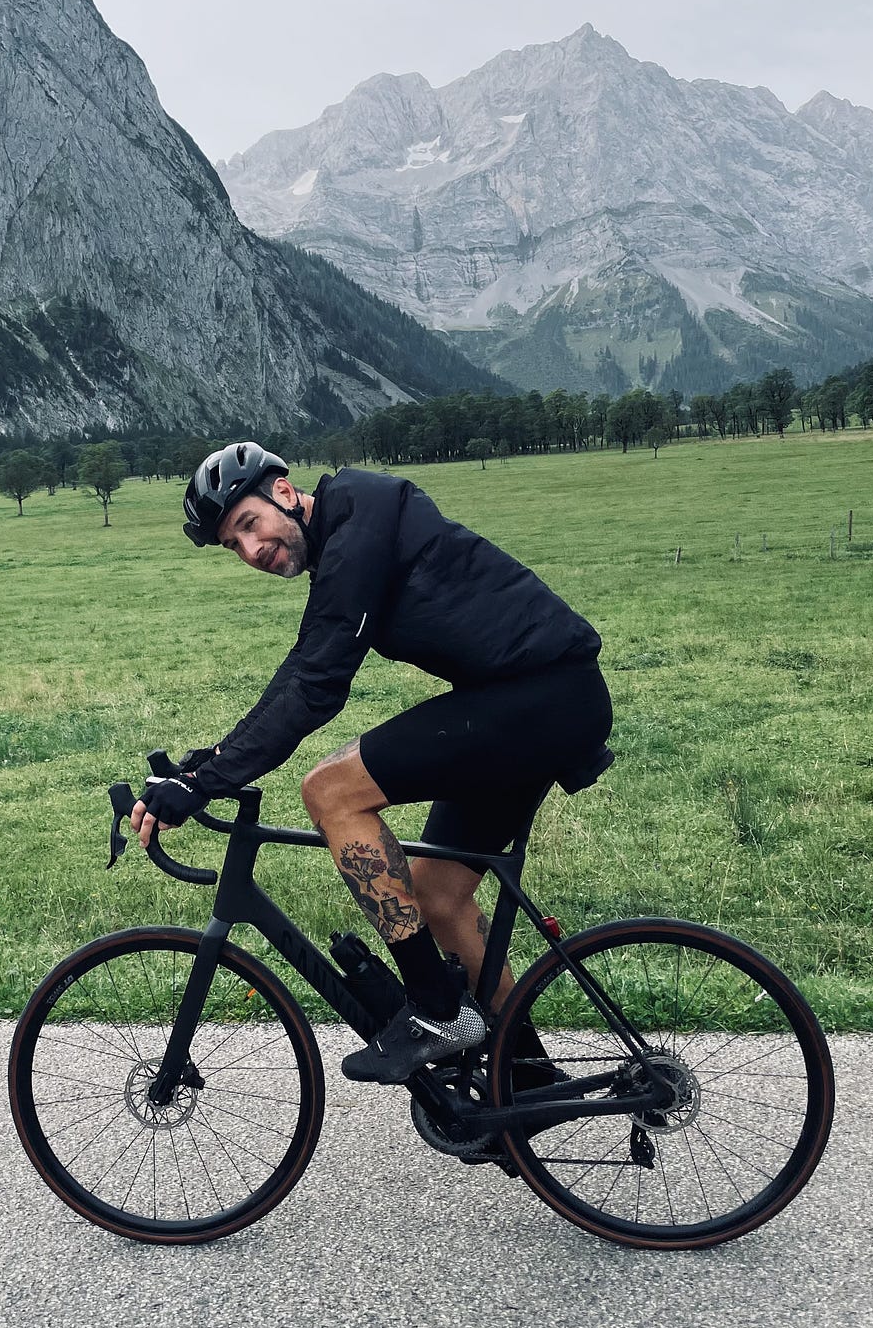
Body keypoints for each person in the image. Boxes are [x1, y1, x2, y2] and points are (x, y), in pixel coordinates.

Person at [130, 441, 612, 1085]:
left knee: (332, 791)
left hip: (541, 697)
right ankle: (519, 1077)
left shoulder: (363, 512)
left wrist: (212, 780)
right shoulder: (343, 539)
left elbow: (318, 681)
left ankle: (438, 1009)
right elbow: (305, 662)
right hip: (530, 702)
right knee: (439, 897)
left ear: (282, 491)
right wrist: (206, 765)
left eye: (248, 526)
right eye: (233, 547)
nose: (251, 552)